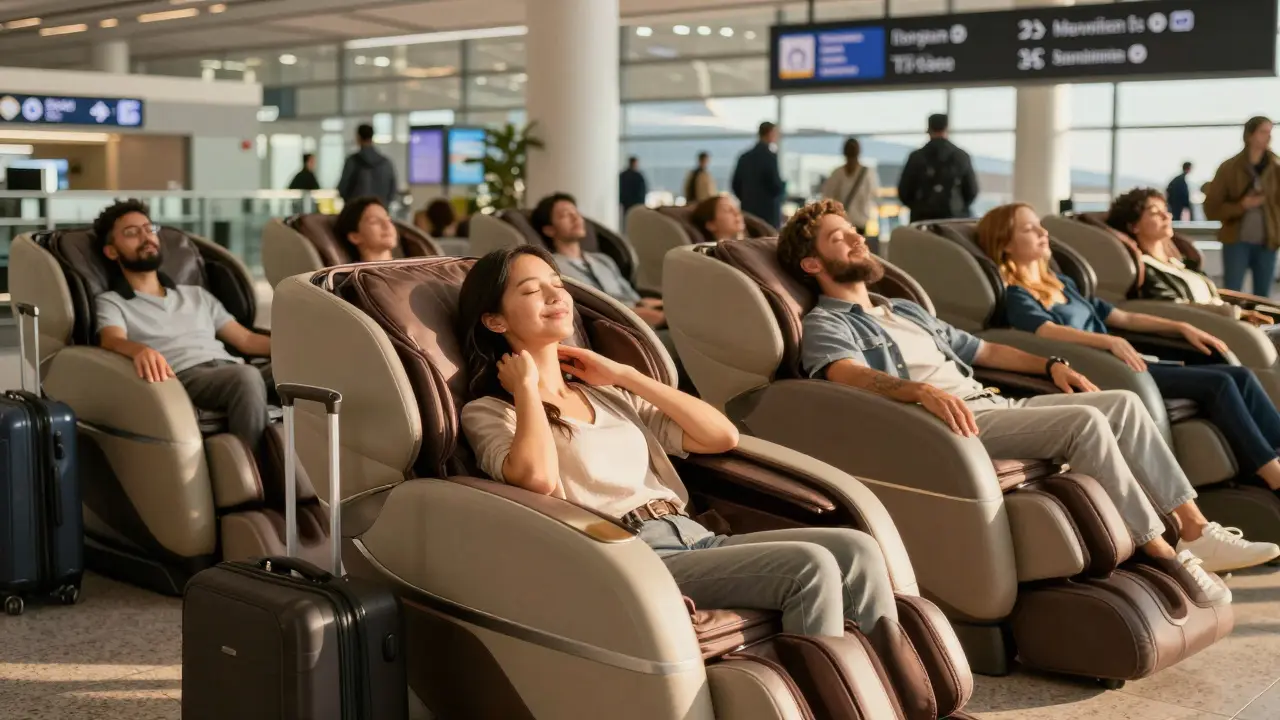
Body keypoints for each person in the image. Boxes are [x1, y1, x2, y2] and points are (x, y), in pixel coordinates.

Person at [779, 199, 1276, 598]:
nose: (858, 239)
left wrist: (1050, 365)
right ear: (812, 263)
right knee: (1085, 423)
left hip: (994, 404)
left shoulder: (904, 310)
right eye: (839, 238)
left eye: (854, 231)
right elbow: (845, 373)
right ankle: (1165, 557)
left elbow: (984, 350)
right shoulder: (827, 322)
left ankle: (1195, 529)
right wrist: (919, 390)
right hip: (949, 427)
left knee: (1122, 403)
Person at [457, 243, 902, 653]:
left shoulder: (609, 394)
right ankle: (834, 694)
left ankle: (894, 689)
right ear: (495, 321)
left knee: (856, 549)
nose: (556, 295)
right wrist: (527, 389)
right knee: (809, 565)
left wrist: (626, 376)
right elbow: (536, 479)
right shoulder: (491, 411)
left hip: (694, 536)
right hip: (631, 558)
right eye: (532, 290)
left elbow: (721, 436)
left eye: (557, 284)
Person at [979, 201, 1280, 505]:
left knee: (1240, 375)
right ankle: (1273, 475)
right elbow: (1045, 331)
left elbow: (1122, 318)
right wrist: (1107, 342)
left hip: (1128, 362)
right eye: (1029, 229)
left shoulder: (1063, 284)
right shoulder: (1017, 295)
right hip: (1107, 371)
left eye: (1040, 226)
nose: (1043, 232)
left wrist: (1181, 326)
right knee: (1220, 384)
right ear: (1006, 244)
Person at [92, 199, 273, 461]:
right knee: (246, 377)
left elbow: (246, 339)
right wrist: (139, 350)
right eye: (131, 233)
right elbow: (111, 340)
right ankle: (258, 473)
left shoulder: (196, 295)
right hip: (185, 377)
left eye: (149, 229)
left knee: (306, 367)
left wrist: (298, 349)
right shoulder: (112, 302)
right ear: (111, 251)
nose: (146, 237)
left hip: (231, 369)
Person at [1108, 187, 1274, 326]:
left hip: (1232, 326)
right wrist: (1238, 314)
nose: (1167, 216)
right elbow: (1176, 310)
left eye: (1165, 210)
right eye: (1155, 213)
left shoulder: (1180, 263)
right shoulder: (1146, 271)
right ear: (1133, 226)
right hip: (1218, 332)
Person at [531, 192, 664, 328]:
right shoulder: (552, 268)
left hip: (639, 314)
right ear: (549, 230)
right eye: (565, 215)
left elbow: (635, 299)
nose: (576, 218)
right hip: (612, 324)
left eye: (576, 213)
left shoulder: (603, 260)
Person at [1205, 116, 1280, 296]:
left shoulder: (1276, 168)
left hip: (1268, 241)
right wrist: (1242, 206)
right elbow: (1211, 209)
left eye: (1270, 132)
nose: (1268, 137)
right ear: (1249, 135)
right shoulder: (1229, 168)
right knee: (1233, 293)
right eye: (1263, 132)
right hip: (1235, 241)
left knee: (1263, 298)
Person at [896, 114, 978, 222]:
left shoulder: (916, 157)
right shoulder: (961, 157)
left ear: (928, 130)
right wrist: (960, 206)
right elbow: (972, 191)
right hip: (954, 219)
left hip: (923, 219)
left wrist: (917, 207)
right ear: (947, 128)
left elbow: (904, 191)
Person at [732, 122, 786, 228]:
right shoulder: (770, 157)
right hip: (768, 213)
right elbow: (775, 185)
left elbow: (735, 184)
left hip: (748, 210)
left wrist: (746, 198)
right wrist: (783, 187)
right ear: (770, 133)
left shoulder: (744, 157)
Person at [820, 138, 879, 236]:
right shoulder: (867, 174)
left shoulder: (837, 174)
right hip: (851, 222)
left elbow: (827, 197)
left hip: (850, 223)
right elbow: (872, 196)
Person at [337, 123, 397, 207]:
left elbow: (342, 188)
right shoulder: (386, 163)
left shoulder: (352, 162)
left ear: (358, 138)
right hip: (380, 210)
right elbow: (393, 191)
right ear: (372, 137)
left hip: (356, 211)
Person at [334, 196, 398, 263]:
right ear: (354, 237)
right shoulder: (353, 270)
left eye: (389, 220)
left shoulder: (405, 266)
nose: (387, 225)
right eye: (375, 221)